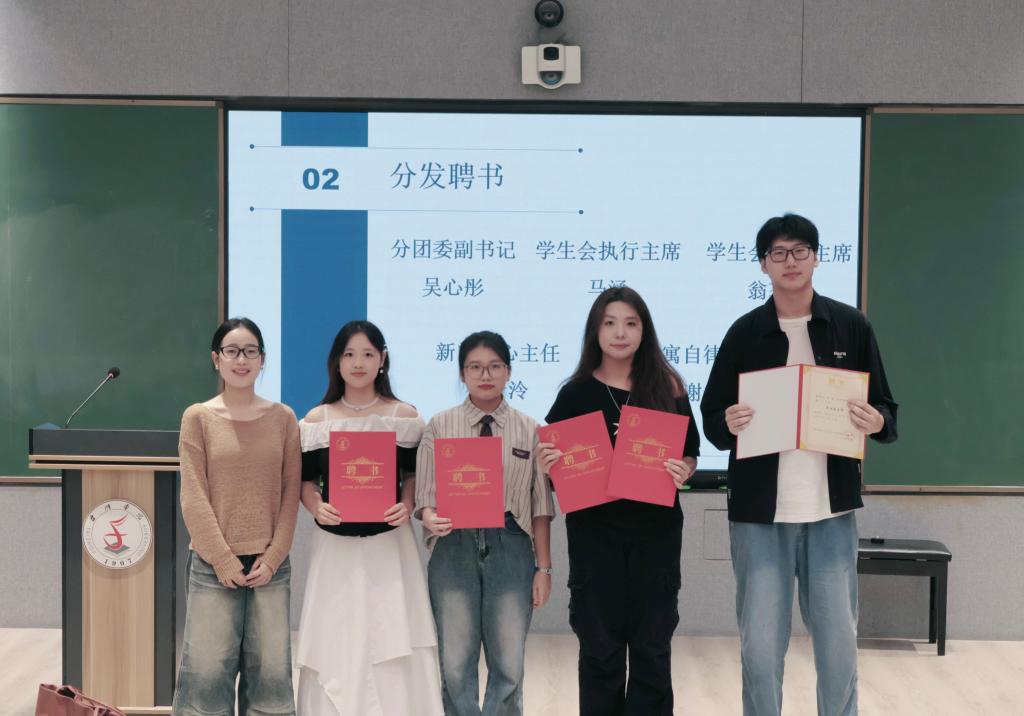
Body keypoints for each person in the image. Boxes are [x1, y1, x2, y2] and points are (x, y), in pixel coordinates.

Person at [701, 213, 898, 716]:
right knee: (760, 648)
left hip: (830, 511)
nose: (790, 261)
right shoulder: (744, 332)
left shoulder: (851, 325)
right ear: (763, 265)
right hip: (759, 515)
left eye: (800, 251)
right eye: (778, 253)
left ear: (817, 257)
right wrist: (728, 420)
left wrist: (876, 419)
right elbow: (712, 419)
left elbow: (886, 411)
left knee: (838, 645)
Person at [538, 286, 700, 716]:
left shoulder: (668, 386)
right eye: (609, 323)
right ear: (595, 331)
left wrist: (684, 468)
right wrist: (547, 462)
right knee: (600, 649)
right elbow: (556, 465)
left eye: (631, 323)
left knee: (652, 647)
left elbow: (691, 451)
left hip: (656, 534)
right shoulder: (574, 393)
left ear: (645, 330)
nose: (620, 333)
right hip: (595, 536)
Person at [295, 320, 443, 716]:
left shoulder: (403, 416)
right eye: (349, 354)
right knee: (336, 630)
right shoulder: (317, 420)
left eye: (367, 354)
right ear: (336, 362)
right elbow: (305, 481)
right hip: (335, 548)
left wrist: (407, 504)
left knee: (393, 628)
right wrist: (316, 506)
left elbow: (414, 474)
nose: (358, 363)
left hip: (390, 545)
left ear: (382, 360)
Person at [415, 330, 555, 716]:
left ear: (509, 371)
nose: (485, 374)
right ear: (462, 374)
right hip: (453, 545)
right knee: (455, 663)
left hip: (511, 545)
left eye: (495, 366)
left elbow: (540, 506)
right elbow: (424, 498)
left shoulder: (530, 429)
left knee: (509, 664)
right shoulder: (439, 425)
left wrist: (543, 568)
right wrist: (431, 517)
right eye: (475, 367)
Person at [173, 317, 301, 716]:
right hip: (213, 566)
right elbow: (193, 495)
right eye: (232, 351)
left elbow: (291, 492)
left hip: (270, 568)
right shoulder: (198, 417)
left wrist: (274, 556)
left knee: (271, 680)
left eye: (250, 351)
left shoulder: (284, 418)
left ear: (262, 359)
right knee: (206, 680)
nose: (241, 360)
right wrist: (223, 559)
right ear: (216, 359)